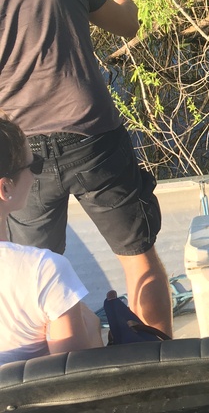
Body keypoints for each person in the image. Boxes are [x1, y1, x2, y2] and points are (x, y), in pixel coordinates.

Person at [0, 0, 173, 337]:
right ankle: (162, 374)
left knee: (37, 281)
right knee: (141, 262)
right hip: (93, 138)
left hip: (19, 158)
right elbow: (127, 24)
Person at [0, 116, 103, 364]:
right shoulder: (44, 270)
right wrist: (92, 327)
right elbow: (72, 380)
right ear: (5, 189)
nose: (36, 176)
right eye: (34, 165)